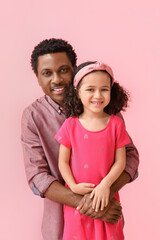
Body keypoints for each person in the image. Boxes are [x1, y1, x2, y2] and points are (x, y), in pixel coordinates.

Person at [21, 38, 139, 240]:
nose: (56, 79)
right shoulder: (33, 116)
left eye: (64, 70)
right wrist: (91, 205)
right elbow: (37, 177)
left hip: (107, 220)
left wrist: (104, 195)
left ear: (75, 70)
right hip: (60, 225)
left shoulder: (106, 110)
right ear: (38, 77)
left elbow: (130, 159)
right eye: (47, 73)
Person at [55, 61, 131, 239]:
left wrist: (105, 185)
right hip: (77, 202)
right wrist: (73, 186)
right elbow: (63, 162)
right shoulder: (70, 125)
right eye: (90, 89)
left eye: (104, 89)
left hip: (107, 197)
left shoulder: (116, 124)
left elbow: (121, 161)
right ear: (78, 92)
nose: (98, 95)